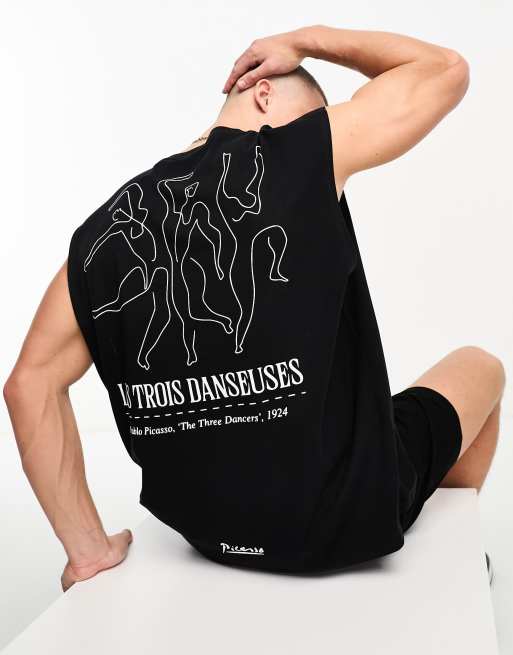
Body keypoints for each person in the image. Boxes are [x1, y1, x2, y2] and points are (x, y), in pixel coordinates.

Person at [4, 25, 504, 591]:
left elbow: (29, 386)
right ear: (264, 93)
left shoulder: (103, 231)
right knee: (481, 366)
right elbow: (445, 70)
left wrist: (87, 553)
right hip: (338, 520)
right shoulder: (298, 152)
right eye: (316, 117)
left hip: (203, 531)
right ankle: (458, 568)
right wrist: (304, 41)